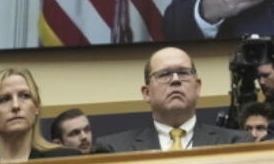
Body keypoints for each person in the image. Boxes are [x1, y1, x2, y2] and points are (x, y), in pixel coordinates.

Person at [94, 47, 251, 152]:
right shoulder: (115, 148)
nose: (175, 80)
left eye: (183, 73)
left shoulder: (236, 144)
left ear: (197, 87)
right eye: (164, 74)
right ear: (146, 92)